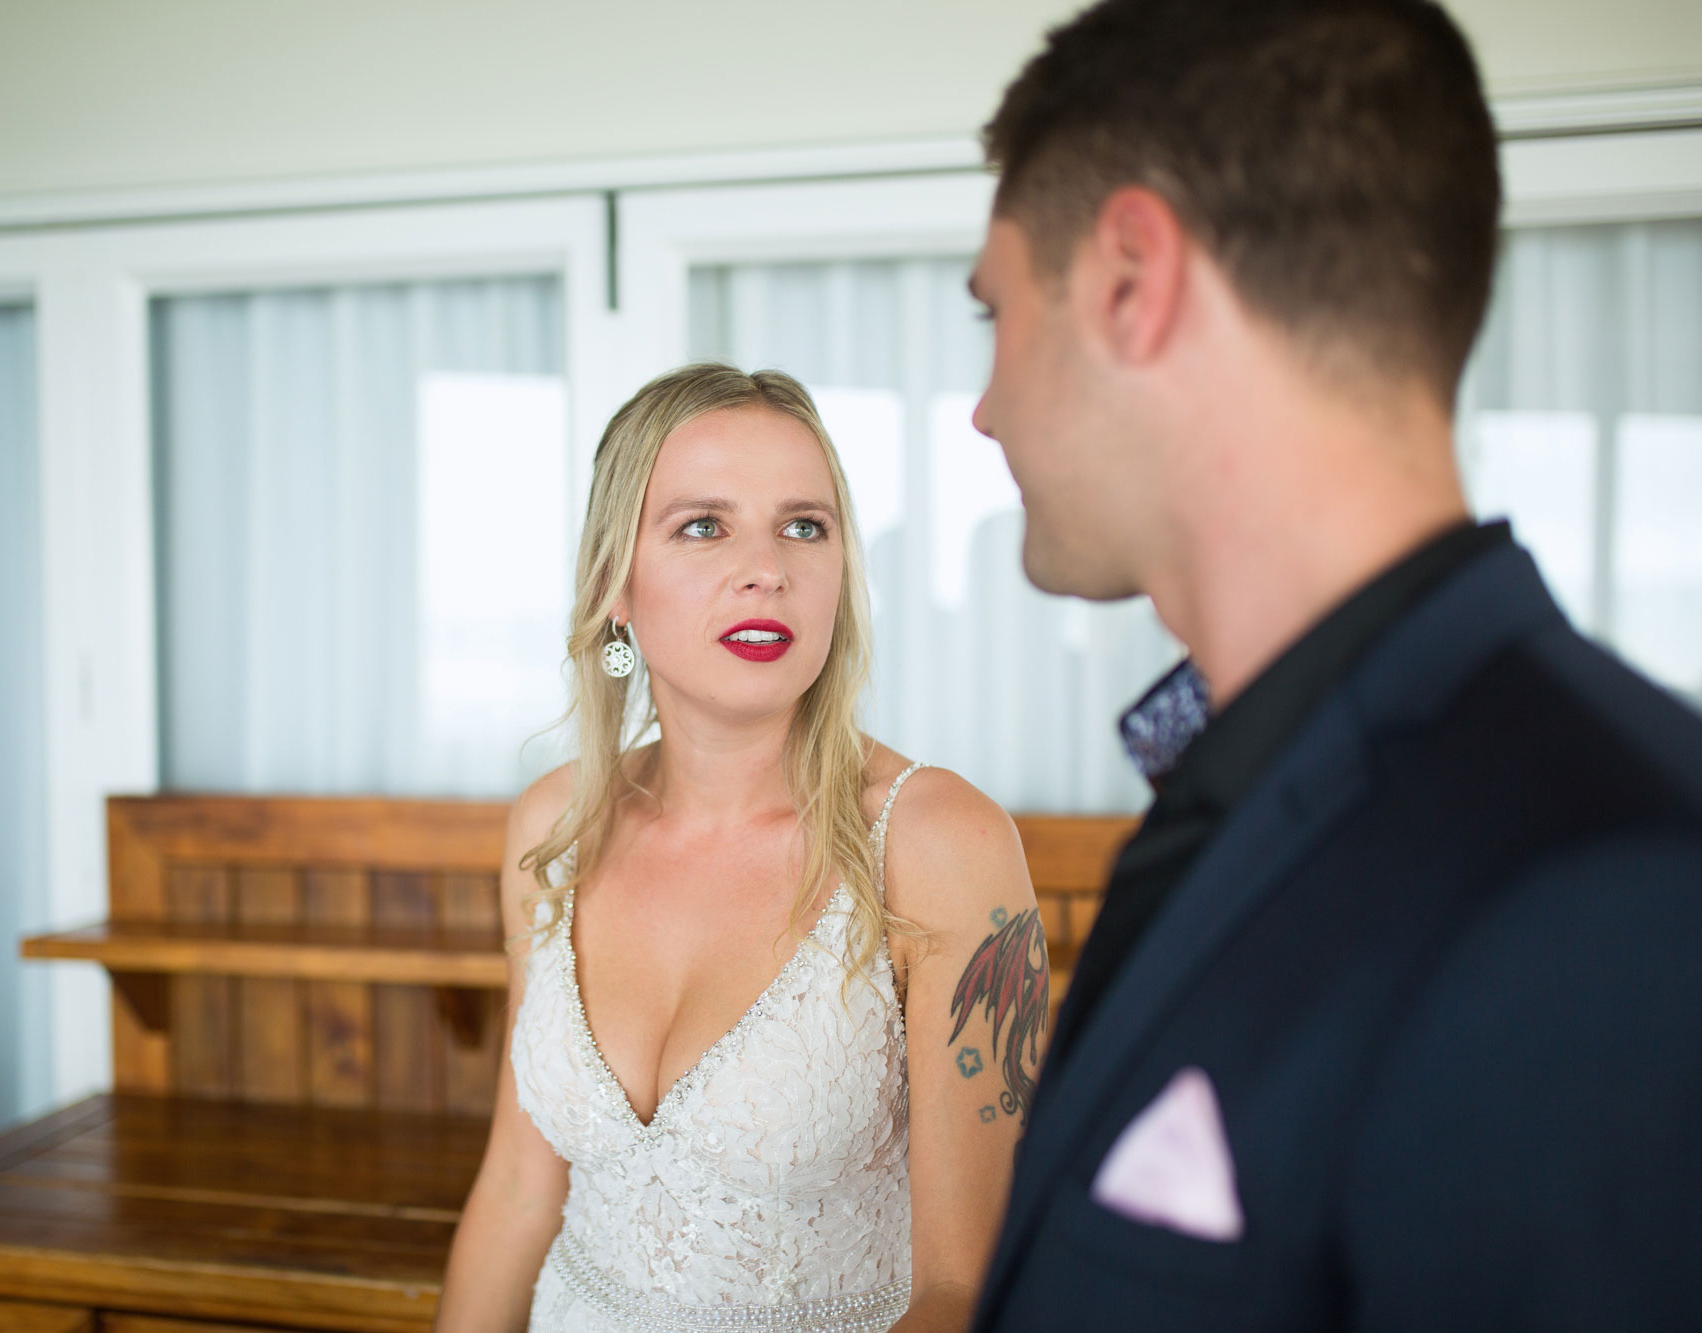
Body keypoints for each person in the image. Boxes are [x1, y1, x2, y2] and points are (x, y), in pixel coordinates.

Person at [962, 0, 1702, 1328]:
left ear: (1132, 280)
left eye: (995, 313)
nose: (986, 406)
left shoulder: (1613, 897)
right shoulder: (1248, 773)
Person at [434, 363, 1050, 1332]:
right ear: (614, 586)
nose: (767, 566)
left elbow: (967, 1287)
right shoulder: (552, 829)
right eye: (702, 525)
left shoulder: (939, 842)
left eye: (803, 525)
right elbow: (517, 1185)